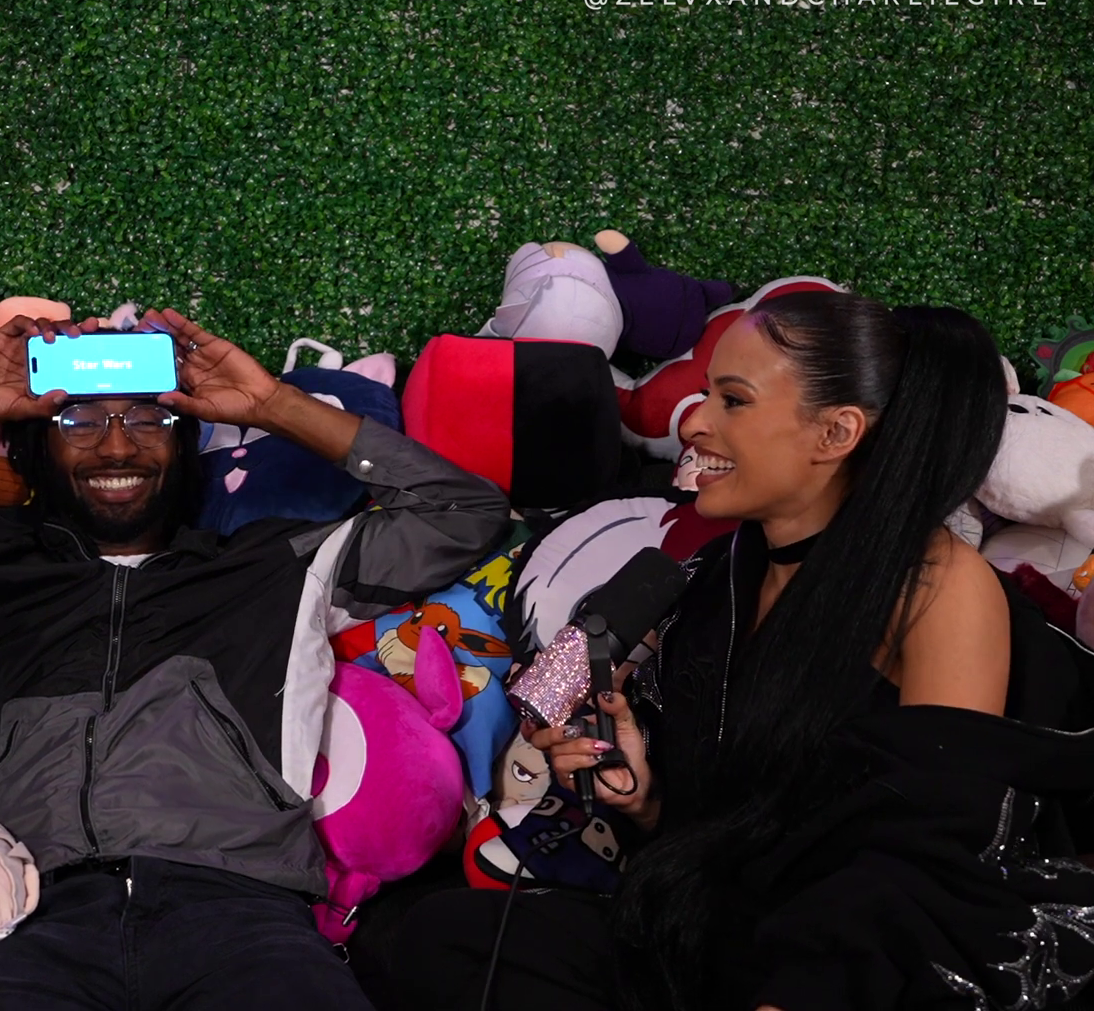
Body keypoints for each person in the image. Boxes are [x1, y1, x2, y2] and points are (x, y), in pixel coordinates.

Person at [0, 307, 511, 1010]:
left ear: (185, 442)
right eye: (80, 421)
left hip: (242, 914)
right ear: (35, 446)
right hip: (27, 916)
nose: (118, 444)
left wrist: (273, 405)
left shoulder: (278, 565)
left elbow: (467, 513)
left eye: (148, 418)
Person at [374, 292, 1094, 1011]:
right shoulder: (724, 574)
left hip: (851, 968)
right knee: (440, 937)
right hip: (716, 937)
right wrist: (648, 801)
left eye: (733, 400)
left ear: (835, 432)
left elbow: (929, 852)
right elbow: (735, 830)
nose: (697, 423)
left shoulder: (937, 584)